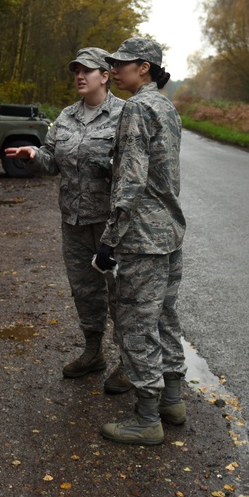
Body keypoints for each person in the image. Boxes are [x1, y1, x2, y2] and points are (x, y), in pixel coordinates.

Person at [4, 48, 130, 392]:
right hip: (73, 222)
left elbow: (132, 170)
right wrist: (33, 156)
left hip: (110, 225)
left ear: (105, 75)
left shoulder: (124, 115)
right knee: (84, 290)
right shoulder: (65, 117)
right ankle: (93, 351)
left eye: (87, 70)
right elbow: (52, 162)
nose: (79, 75)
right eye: (76, 70)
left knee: (119, 292)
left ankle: (128, 361)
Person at [91, 37, 187, 446]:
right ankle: (173, 400)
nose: (114, 69)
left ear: (144, 66)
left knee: (135, 324)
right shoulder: (166, 106)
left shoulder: (136, 107)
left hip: (142, 238)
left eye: (122, 63)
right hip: (168, 232)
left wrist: (108, 241)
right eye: (111, 63)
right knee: (164, 315)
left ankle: (147, 417)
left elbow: (130, 180)